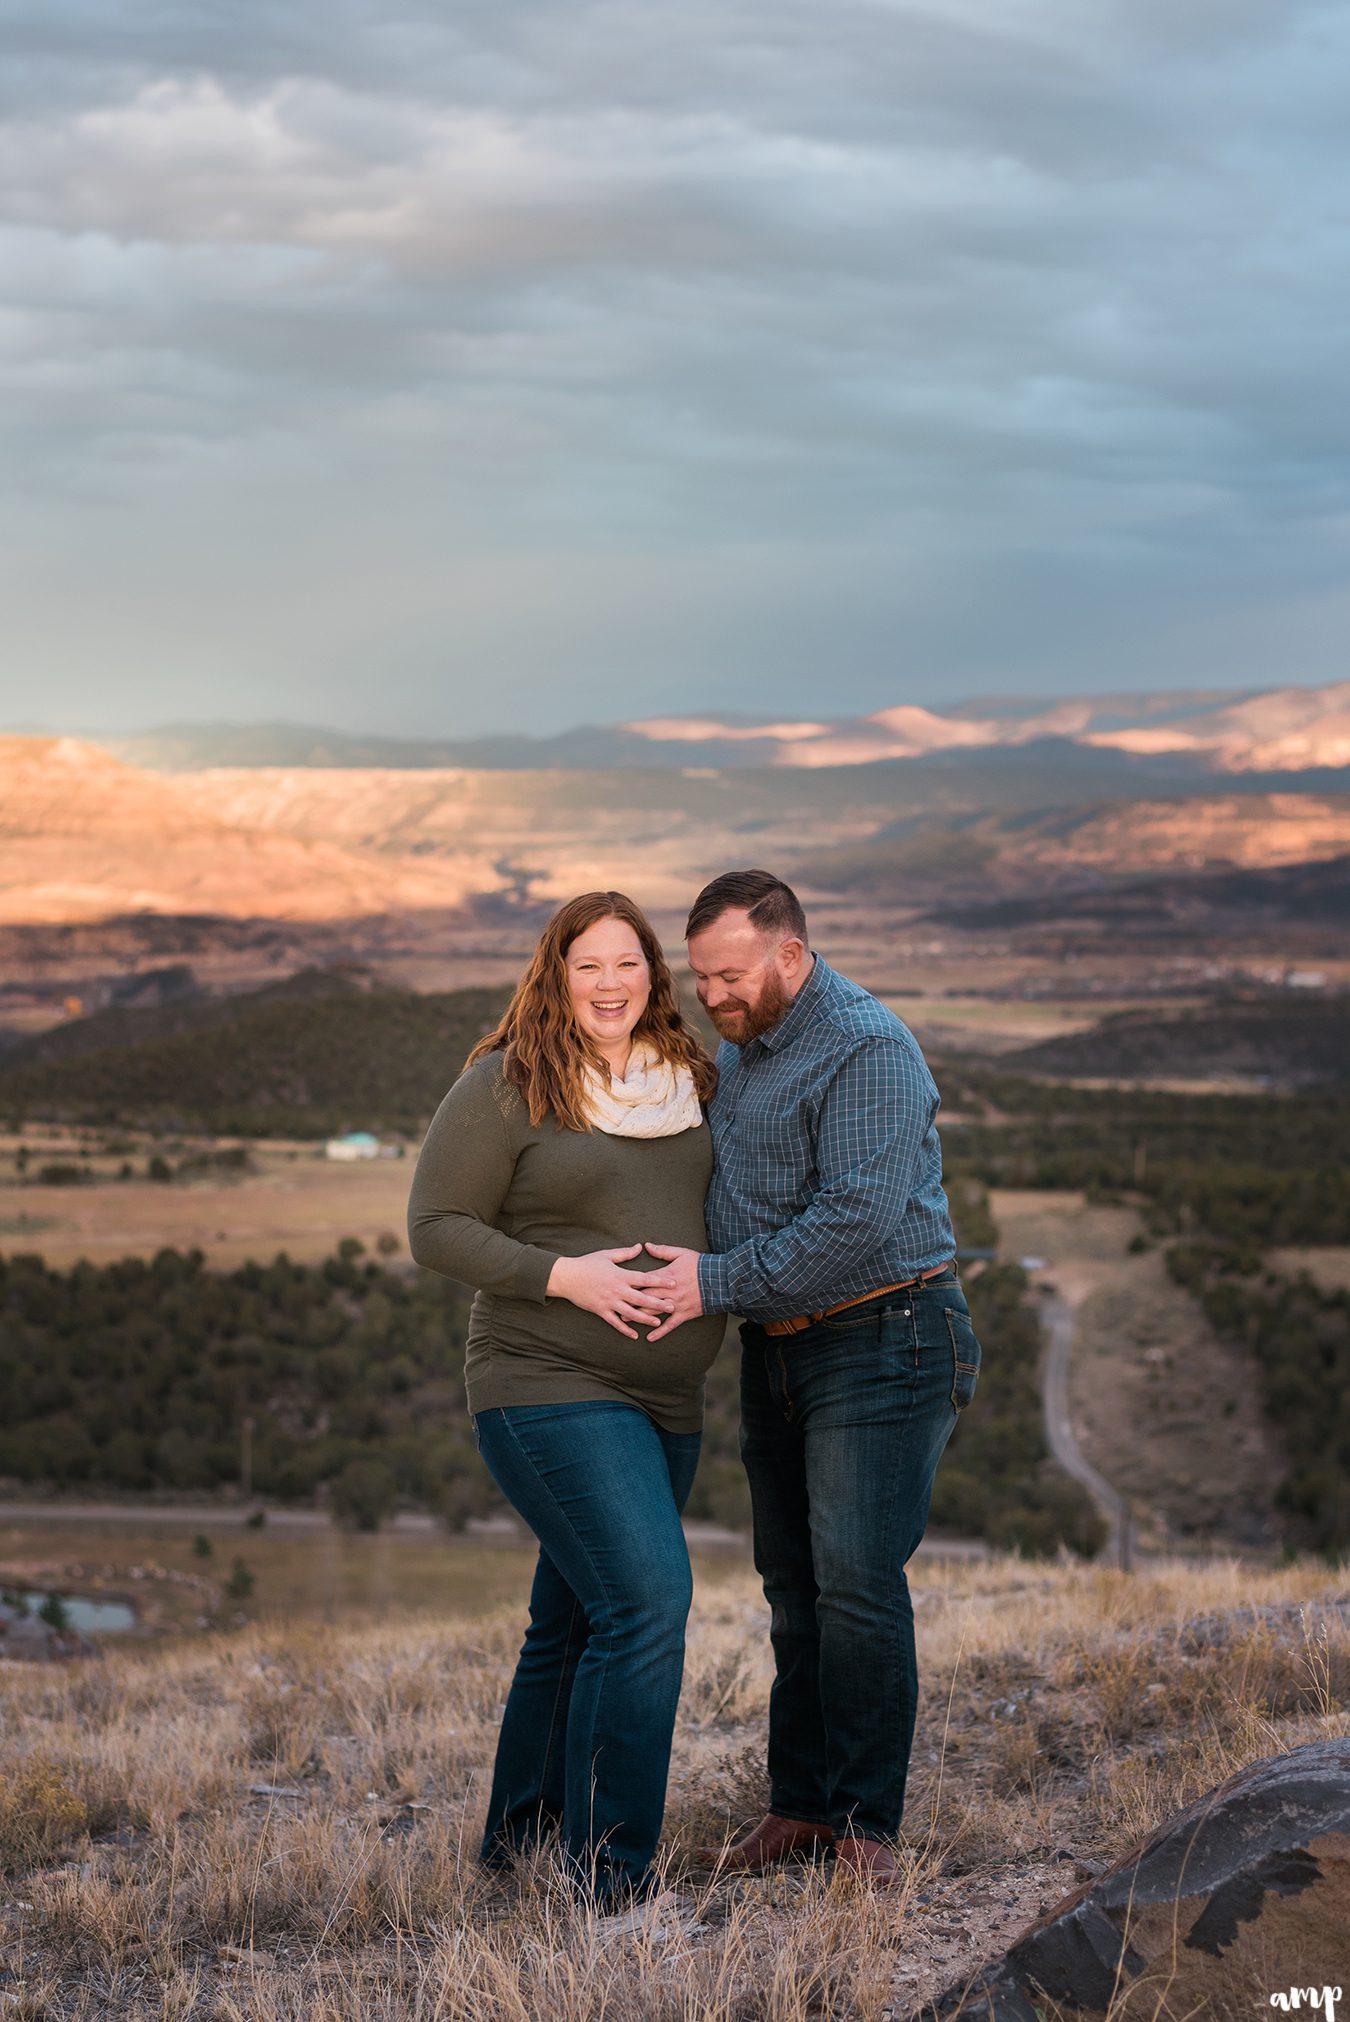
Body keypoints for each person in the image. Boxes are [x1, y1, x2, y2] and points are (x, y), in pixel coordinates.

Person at [642, 868, 980, 1887]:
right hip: (779, 1344)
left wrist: (709, 1283)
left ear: (790, 953)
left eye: (731, 974)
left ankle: (868, 1829)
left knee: (858, 1589)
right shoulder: (748, 1048)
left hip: (885, 1335)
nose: (714, 997)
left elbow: (853, 1227)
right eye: (701, 978)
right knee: (793, 1589)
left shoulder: (868, 1046)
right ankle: (800, 1805)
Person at [406, 891, 723, 1912]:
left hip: (666, 1403)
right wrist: (568, 1276)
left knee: (578, 1621)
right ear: (555, 974)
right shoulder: (509, 1083)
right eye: (587, 965)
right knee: (647, 1603)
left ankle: (518, 1846)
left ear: (652, 977)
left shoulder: (694, 1084)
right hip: (544, 1383)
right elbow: (435, 1225)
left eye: (627, 964)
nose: (609, 984)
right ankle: (612, 1883)